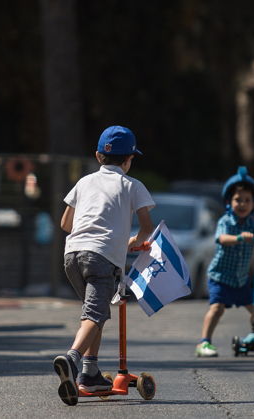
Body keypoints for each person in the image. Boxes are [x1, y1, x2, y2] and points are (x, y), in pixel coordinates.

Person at [53, 125, 155, 406]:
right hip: (102, 258)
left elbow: (65, 224)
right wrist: (133, 241)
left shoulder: (84, 182)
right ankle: (72, 360)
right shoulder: (132, 185)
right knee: (95, 315)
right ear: (129, 159)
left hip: (72, 255)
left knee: (92, 313)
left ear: (99, 156)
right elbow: (147, 226)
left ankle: (90, 373)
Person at [195, 166, 254, 357]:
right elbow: (221, 238)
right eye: (238, 200)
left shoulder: (252, 223)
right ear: (229, 201)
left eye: (247, 200)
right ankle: (204, 343)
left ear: (253, 203)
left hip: (240, 279)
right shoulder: (225, 221)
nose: (242, 204)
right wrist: (239, 238)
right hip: (220, 276)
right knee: (217, 308)